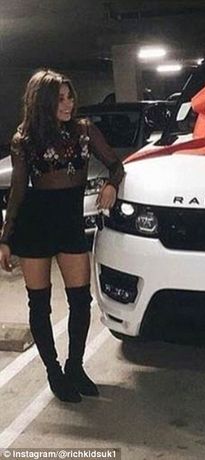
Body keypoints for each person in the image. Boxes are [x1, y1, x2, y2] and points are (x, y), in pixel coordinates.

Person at [0, 69, 125, 403]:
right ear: (43, 102)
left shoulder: (84, 132)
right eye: (60, 99)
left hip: (69, 223)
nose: (68, 104)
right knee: (39, 304)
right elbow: (17, 192)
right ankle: (54, 372)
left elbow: (116, 165)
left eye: (70, 97)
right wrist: (6, 238)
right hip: (35, 225)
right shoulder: (24, 139)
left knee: (80, 299)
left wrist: (112, 184)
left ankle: (74, 367)